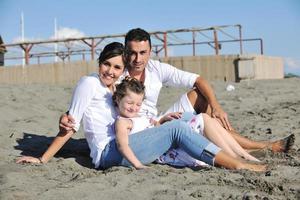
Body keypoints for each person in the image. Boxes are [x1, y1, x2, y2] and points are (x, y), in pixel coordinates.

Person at [16, 42, 266, 172]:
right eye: (106, 65)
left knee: (184, 119)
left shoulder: (113, 87)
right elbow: (70, 126)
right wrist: (42, 158)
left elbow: (132, 116)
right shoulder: (88, 83)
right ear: (99, 62)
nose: (110, 72)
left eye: (116, 67)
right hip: (109, 154)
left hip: (127, 144)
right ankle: (236, 164)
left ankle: (234, 156)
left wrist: (159, 121)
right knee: (177, 130)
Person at [60, 28, 294, 154]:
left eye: (143, 53)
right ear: (126, 52)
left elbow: (199, 79)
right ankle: (264, 146)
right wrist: (67, 115)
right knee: (202, 120)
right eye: (132, 53)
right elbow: (91, 92)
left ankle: (251, 144)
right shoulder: (116, 73)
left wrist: (217, 106)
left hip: (159, 118)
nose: (137, 59)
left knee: (202, 97)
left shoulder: (157, 68)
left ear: (150, 51)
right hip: (137, 129)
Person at [112, 77, 260, 170]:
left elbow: (152, 130)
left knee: (204, 118)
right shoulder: (122, 122)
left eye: (138, 104)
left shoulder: (138, 116)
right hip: (164, 151)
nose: (134, 107)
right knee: (202, 119)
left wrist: (163, 120)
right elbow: (123, 145)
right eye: (129, 103)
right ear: (118, 99)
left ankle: (240, 154)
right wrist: (137, 165)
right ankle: (235, 156)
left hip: (165, 140)